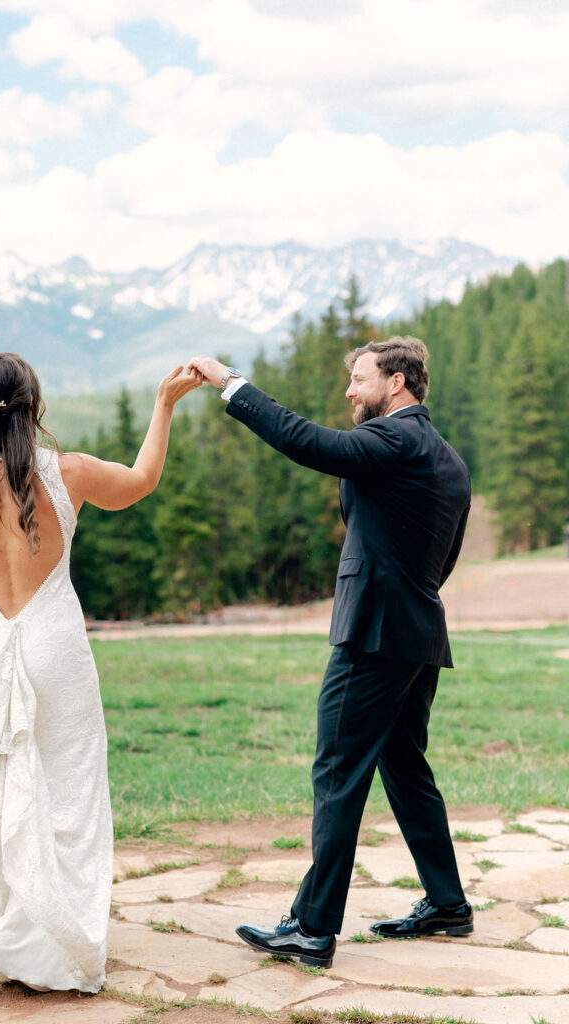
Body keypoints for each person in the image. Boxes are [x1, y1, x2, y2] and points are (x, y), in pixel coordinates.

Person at [0, 352, 200, 992]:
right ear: (32, 405)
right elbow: (143, 479)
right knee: (71, 789)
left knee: (15, 782)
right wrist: (164, 404)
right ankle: (61, 939)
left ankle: (23, 930)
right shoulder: (66, 472)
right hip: (55, 642)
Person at [188, 338, 472, 969]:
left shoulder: (396, 440)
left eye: (358, 378)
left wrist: (231, 384)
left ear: (396, 383)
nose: (349, 390)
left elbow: (310, 443)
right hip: (416, 634)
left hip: (373, 635)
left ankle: (312, 927)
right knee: (404, 767)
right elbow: (443, 557)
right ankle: (448, 903)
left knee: (339, 772)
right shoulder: (447, 458)